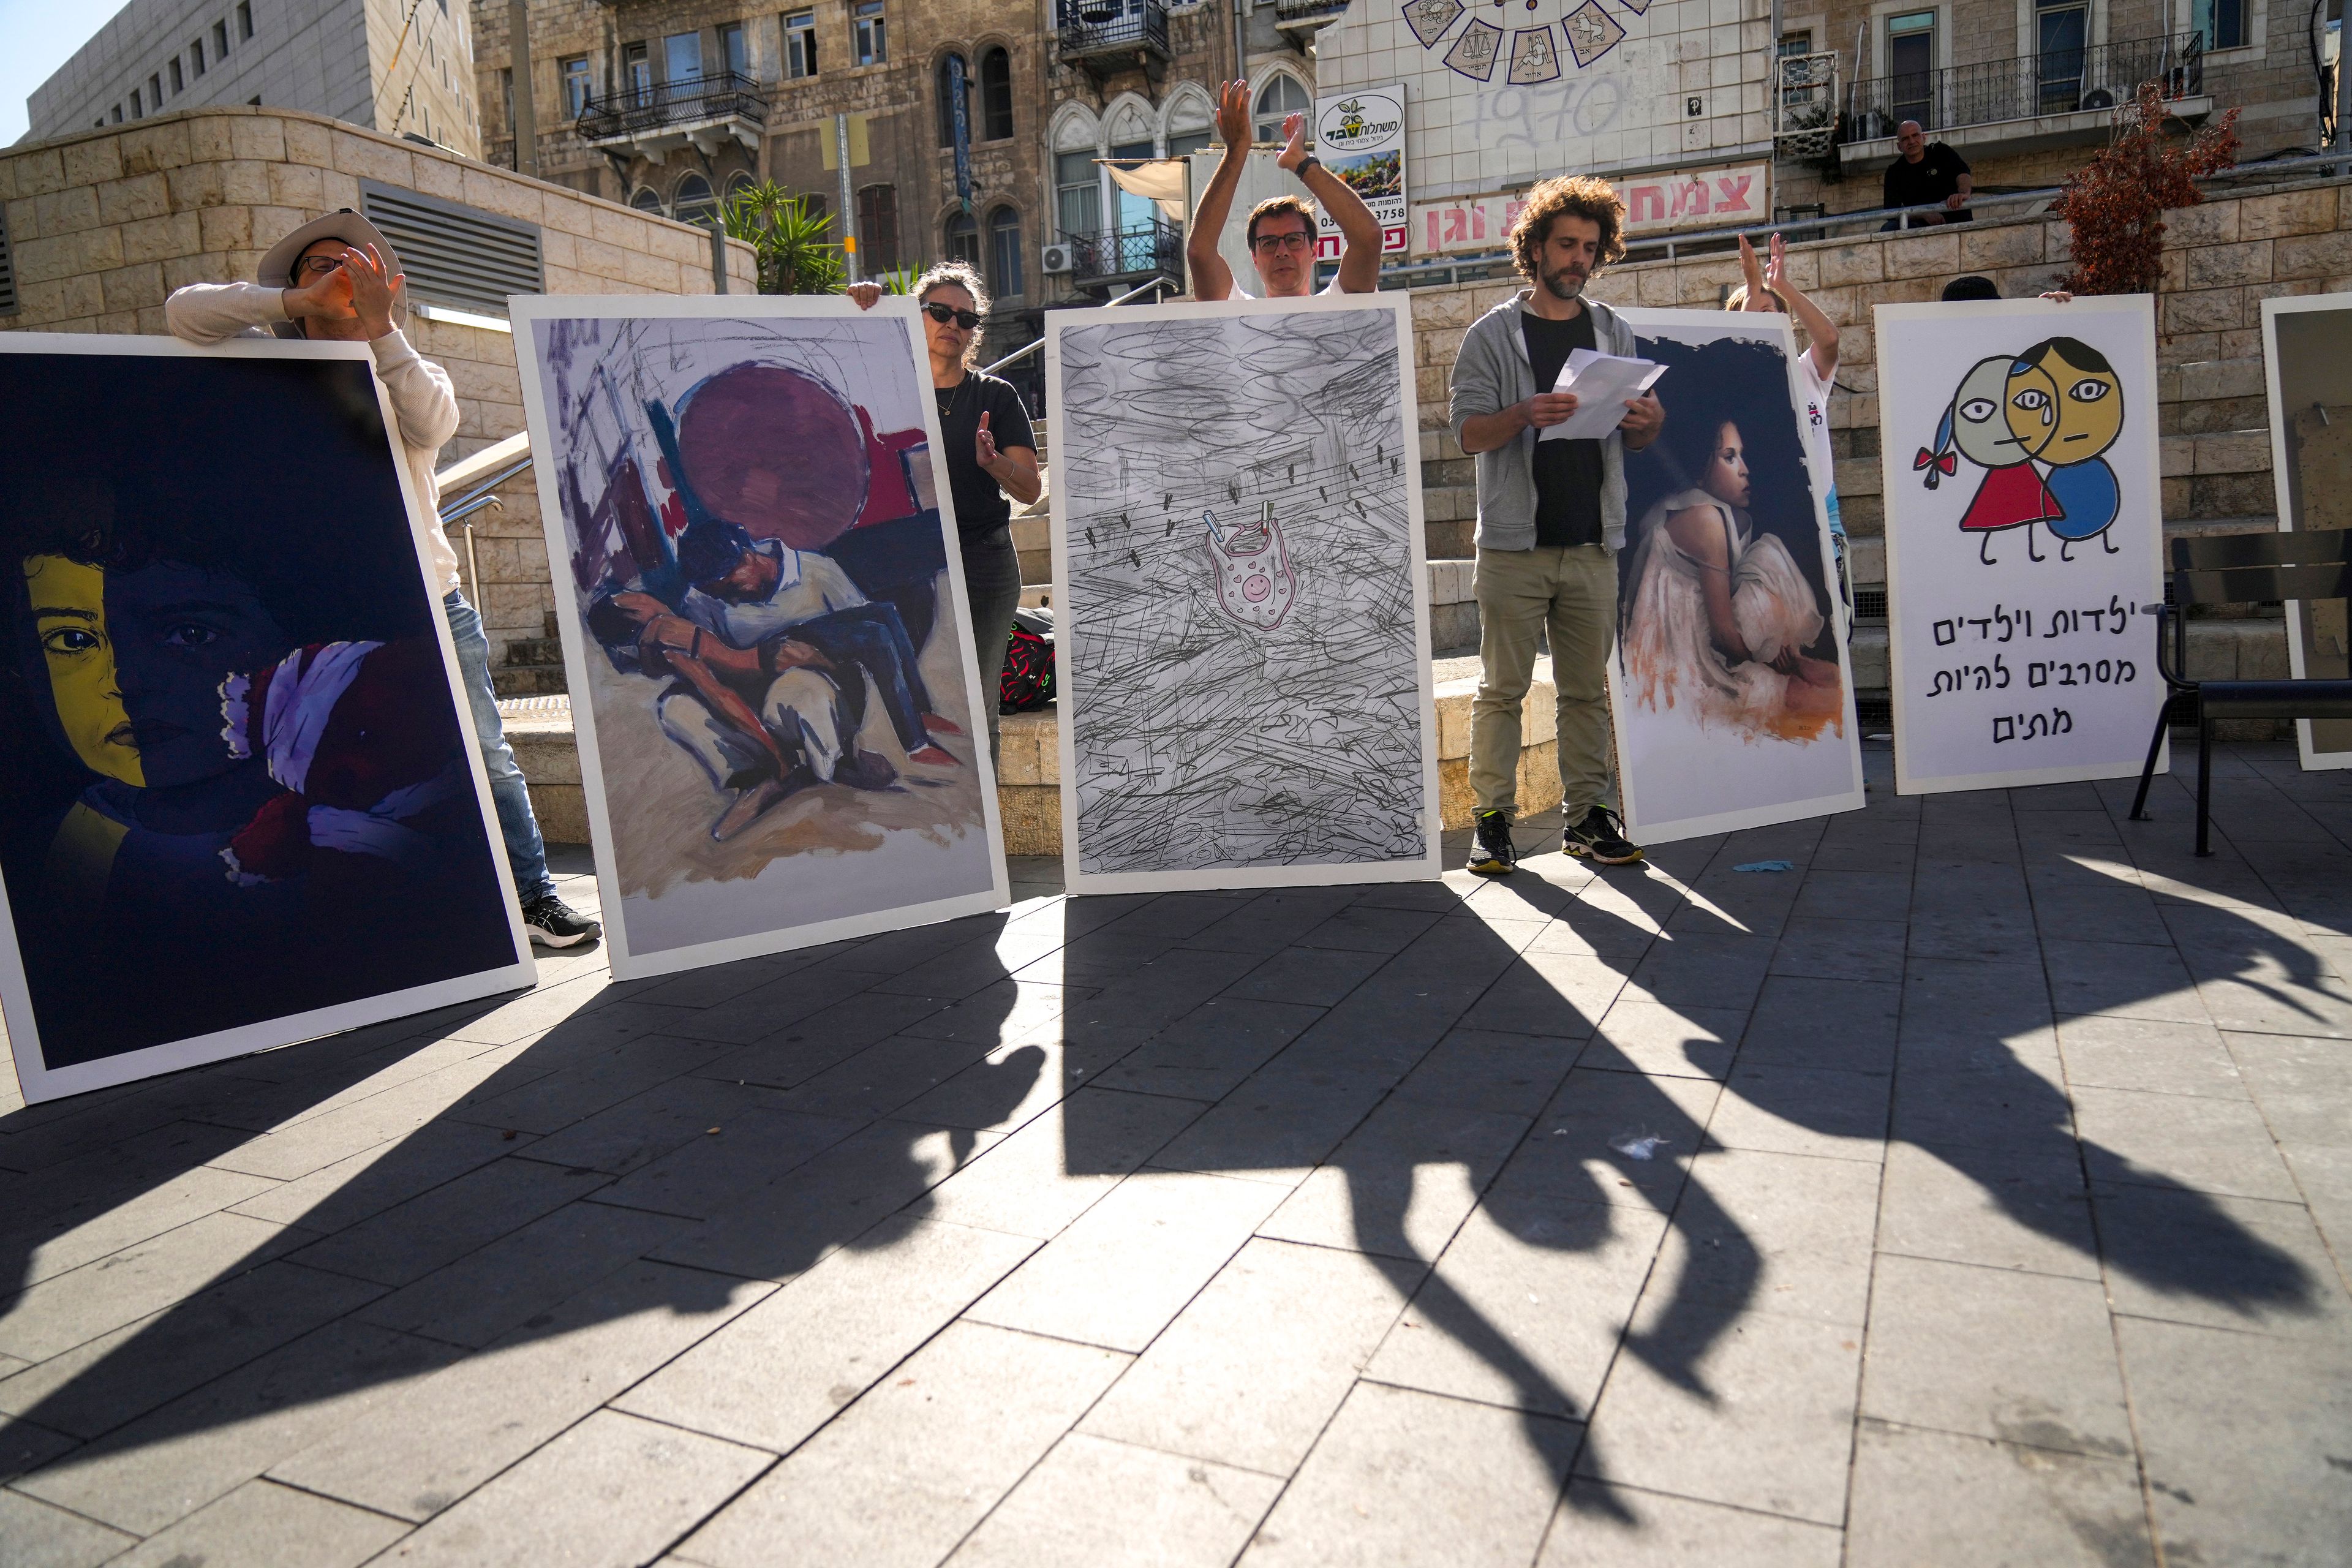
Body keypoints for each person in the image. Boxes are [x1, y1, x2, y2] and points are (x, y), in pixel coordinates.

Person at [164, 211, 600, 948]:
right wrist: (294, 307)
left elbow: (434, 422)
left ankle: (534, 897)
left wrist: (382, 331)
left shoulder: (404, 368)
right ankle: (346, 926)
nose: (338, 272)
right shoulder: (264, 362)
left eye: (353, 262)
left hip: (431, 601)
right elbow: (185, 314)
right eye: (318, 265)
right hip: (320, 613)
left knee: (484, 751)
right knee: (302, 766)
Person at [1449, 175, 1665, 875]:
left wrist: (1648, 426)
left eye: (1591, 249)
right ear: (1534, 247)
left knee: (1584, 692)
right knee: (1501, 691)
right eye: (1567, 245)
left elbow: (1628, 443)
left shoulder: (1613, 332)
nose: (1579, 259)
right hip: (1515, 546)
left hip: (1594, 543)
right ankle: (1493, 819)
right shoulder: (1491, 336)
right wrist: (1523, 414)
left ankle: (1589, 816)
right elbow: (1467, 434)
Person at [590, 521, 963, 840]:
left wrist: (811, 659)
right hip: (759, 684)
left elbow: (864, 643)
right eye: (716, 591)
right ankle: (761, 774)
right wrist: (758, 666)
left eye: (729, 585)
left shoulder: (817, 571)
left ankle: (844, 757)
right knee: (675, 706)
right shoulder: (696, 606)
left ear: (749, 557)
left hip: (821, 684)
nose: (725, 598)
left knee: (848, 647)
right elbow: (720, 685)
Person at [846, 262, 1038, 767]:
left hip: (984, 565)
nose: (953, 325)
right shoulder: (889, 393)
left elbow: (1031, 486)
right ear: (917, 316)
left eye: (966, 319)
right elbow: (845, 358)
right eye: (939, 312)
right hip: (906, 565)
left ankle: (987, 839)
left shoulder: (995, 397)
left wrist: (994, 462)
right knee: (900, 693)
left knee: (979, 708)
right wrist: (865, 306)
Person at [1622, 405, 1844, 734]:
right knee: (1813, 701)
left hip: (1711, 650)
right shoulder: (1705, 518)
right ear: (1701, 467)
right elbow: (1724, 634)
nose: (1745, 470)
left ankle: (1790, 665)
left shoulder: (1725, 515)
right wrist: (1769, 665)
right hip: (1687, 663)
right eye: (1730, 457)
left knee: (1827, 681)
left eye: (1741, 456)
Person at [1728, 232, 1849, 634]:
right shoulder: (1739, 382)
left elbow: (1830, 339)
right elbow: (1744, 355)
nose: (1766, 320)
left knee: (1834, 637)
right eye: (1754, 313)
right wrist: (1753, 289)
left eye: (1773, 312)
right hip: (1769, 528)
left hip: (1821, 526)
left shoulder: (1807, 372)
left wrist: (1780, 287)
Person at [1186, 78, 1384, 301]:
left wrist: (1303, 165)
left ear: (1314, 251)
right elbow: (1199, 252)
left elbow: (1369, 238)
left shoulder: (1338, 302)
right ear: (1254, 257)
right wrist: (1236, 150)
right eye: (1269, 243)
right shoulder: (1238, 311)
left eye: (1294, 239)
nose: (1282, 251)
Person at [1882, 122, 1972, 227]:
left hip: (1957, 221)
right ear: (1899, 146)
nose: (1911, 141)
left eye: (1915, 135)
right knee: (1889, 227)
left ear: (1924, 138)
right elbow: (1891, 212)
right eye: (1905, 139)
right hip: (1919, 227)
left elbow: (1962, 173)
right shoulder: (1894, 172)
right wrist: (1923, 214)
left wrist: (1963, 193)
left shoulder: (1941, 152)